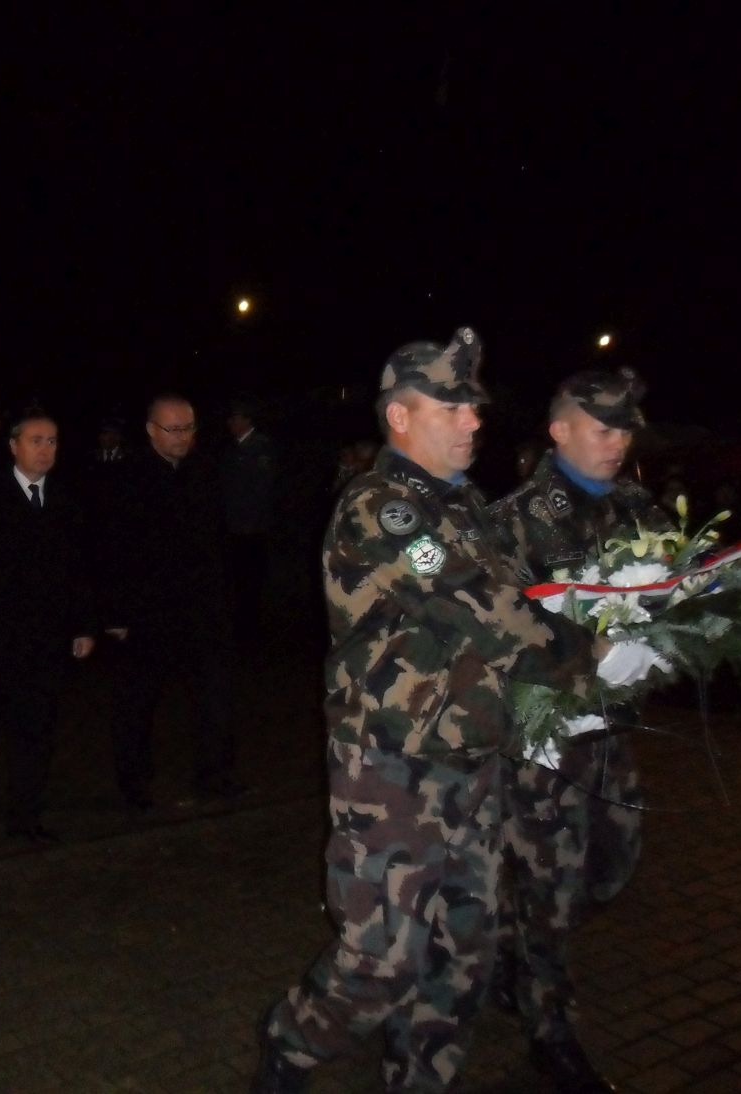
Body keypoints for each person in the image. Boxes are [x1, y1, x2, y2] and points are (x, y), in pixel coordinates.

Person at [254, 330, 664, 1094]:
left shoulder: (466, 506)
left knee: (462, 955)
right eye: (451, 407)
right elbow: (479, 609)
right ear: (400, 417)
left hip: (474, 765)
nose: (473, 420)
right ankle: (292, 1041)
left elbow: (525, 597)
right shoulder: (384, 511)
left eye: (473, 406)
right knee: (381, 960)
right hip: (391, 771)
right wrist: (591, 652)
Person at [489, 367, 672, 1093]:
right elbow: (495, 632)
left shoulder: (638, 506)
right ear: (559, 431)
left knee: (611, 866)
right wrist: (579, 651)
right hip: (544, 738)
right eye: (602, 428)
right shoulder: (513, 520)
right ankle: (550, 1029)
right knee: (552, 887)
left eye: (625, 429)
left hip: (609, 730)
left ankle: (510, 948)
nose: (617, 441)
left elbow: (671, 590)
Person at [0, 411, 95, 841]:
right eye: (36, 440)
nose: (45, 450)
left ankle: (25, 814)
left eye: (52, 441)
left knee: (36, 725)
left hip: (44, 637)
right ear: (13, 446)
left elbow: (79, 567)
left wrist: (83, 625)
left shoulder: (66, 499)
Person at [101, 394, 242, 808]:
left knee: (214, 695)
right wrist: (115, 611)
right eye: (173, 429)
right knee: (137, 701)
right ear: (151, 430)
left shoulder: (205, 472)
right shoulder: (126, 478)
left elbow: (218, 541)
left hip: (201, 608)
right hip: (148, 611)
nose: (182, 437)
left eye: (188, 428)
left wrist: (222, 598)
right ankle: (134, 783)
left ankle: (215, 775)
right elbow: (110, 549)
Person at [220, 396, 277, 643]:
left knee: (251, 580)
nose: (230, 423)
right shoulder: (233, 448)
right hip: (234, 526)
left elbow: (261, 490)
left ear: (246, 420)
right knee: (237, 580)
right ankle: (241, 626)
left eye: (235, 418)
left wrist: (251, 523)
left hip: (251, 528)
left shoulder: (260, 447)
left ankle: (251, 630)